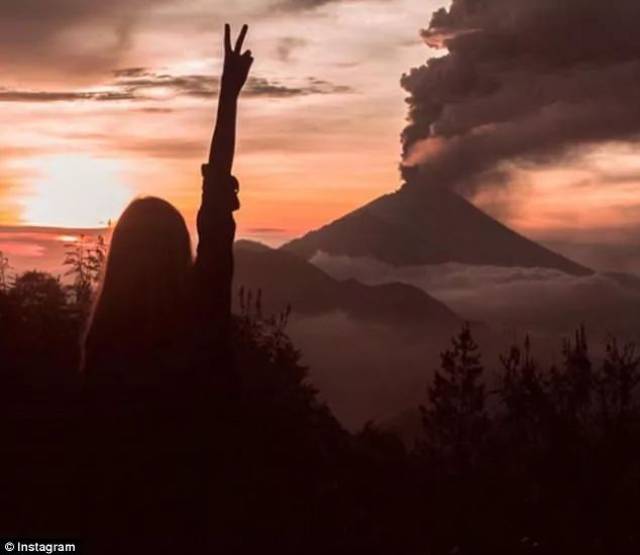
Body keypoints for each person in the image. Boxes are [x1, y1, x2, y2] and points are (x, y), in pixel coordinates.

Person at [80, 24, 253, 554]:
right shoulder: (199, 312)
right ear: (179, 246)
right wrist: (228, 97)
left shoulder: (105, 343)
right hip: (203, 522)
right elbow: (217, 202)